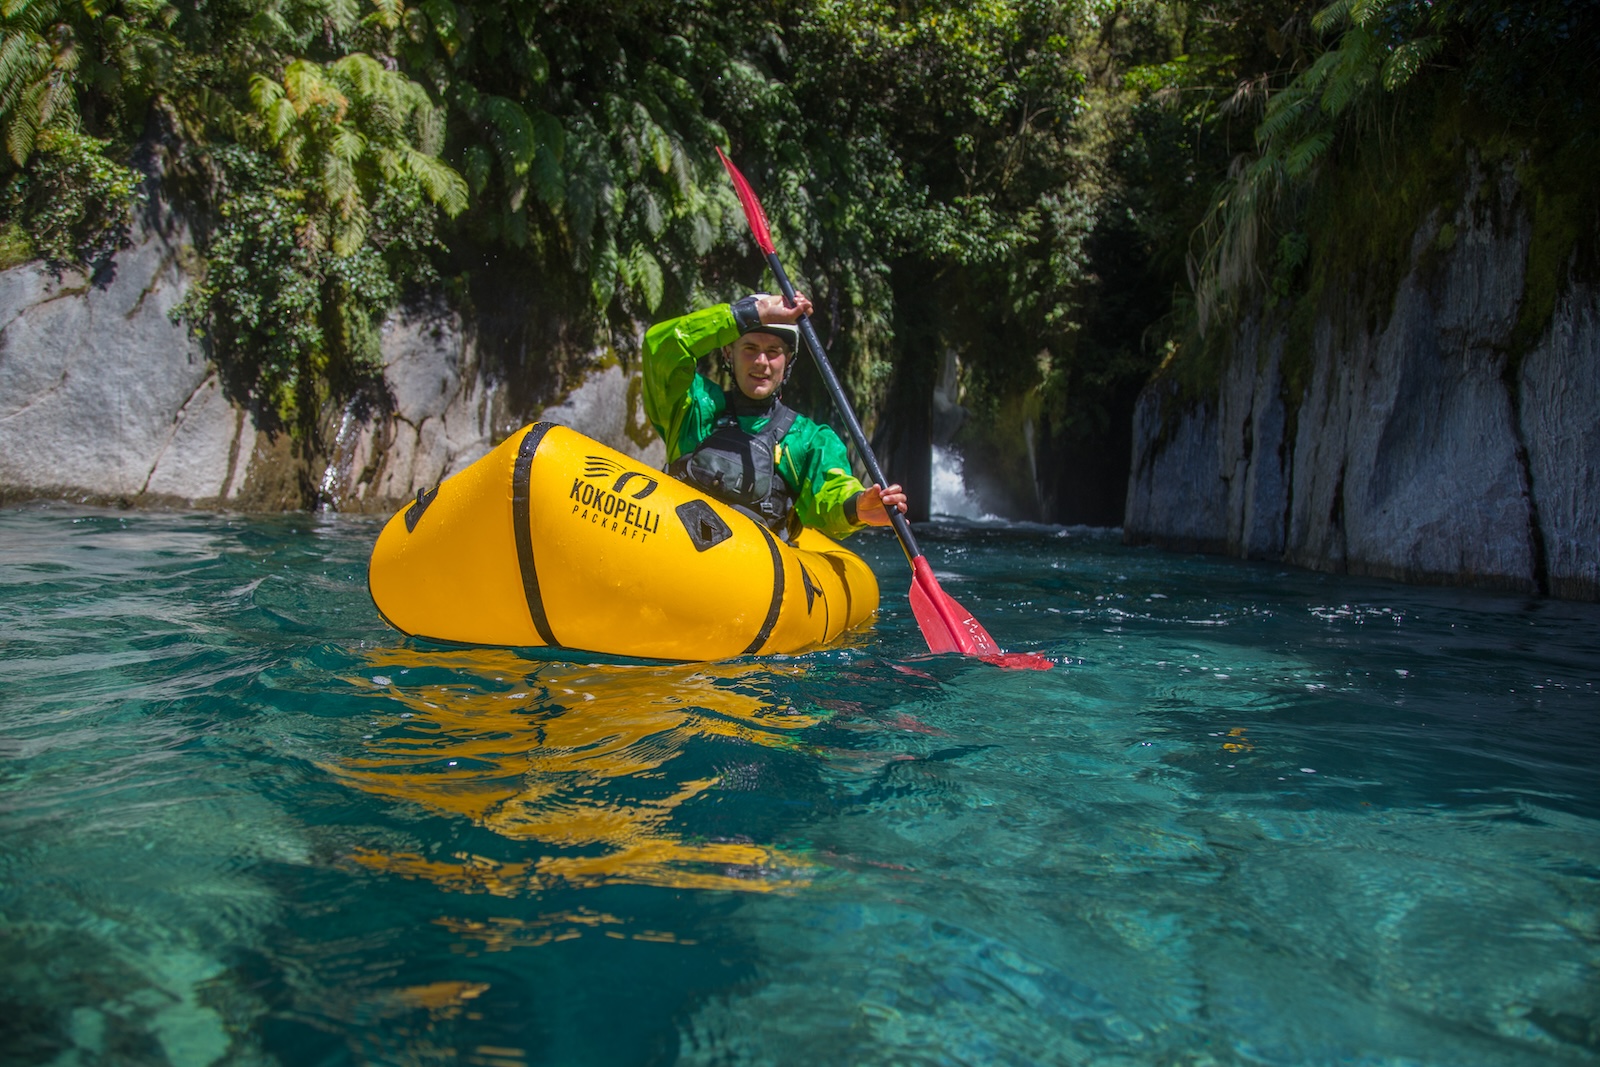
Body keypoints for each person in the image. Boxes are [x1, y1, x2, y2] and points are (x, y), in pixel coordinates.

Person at [642, 291, 907, 542]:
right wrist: (747, 315)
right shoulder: (694, 407)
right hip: (673, 549)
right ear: (728, 353)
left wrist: (857, 506)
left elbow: (831, 491)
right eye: (749, 348)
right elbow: (661, 346)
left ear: (788, 360)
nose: (761, 361)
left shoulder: (807, 439)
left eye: (773, 352)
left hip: (749, 567)